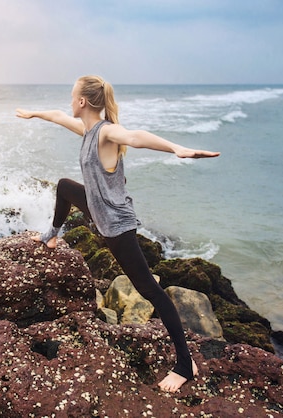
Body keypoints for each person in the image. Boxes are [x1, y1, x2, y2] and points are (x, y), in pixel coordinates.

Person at [16, 75, 220, 392]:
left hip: (117, 225)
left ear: (82, 102)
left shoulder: (106, 133)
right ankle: (51, 235)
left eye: (72, 97)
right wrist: (33, 113)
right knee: (65, 187)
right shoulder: (86, 130)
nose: (69, 103)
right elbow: (57, 116)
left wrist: (176, 148)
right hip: (99, 210)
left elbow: (135, 136)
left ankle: (184, 364)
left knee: (151, 291)